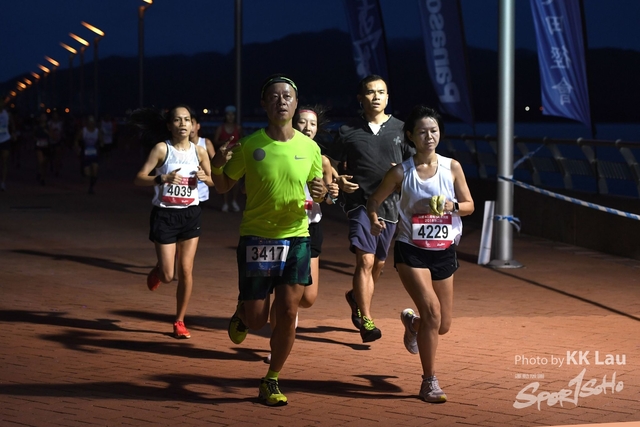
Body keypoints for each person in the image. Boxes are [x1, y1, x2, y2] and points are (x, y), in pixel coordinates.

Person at [210, 75, 327, 406]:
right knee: (258, 319)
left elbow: (317, 190)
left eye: (287, 96)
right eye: (274, 97)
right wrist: (217, 165)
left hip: (297, 236)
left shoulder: (311, 148)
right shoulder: (249, 146)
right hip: (257, 238)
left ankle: (271, 379)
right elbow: (223, 186)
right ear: (264, 104)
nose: (281, 101)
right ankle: (243, 311)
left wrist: (322, 192)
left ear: (296, 103)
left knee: (288, 311)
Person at [367, 105, 474, 403]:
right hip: (411, 249)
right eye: (423, 132)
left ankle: (412, 324)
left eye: (434, 131)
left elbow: (469, 205)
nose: (429, 136)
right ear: (411, 136)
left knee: (442, 325)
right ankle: (429, 382)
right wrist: (374, 218)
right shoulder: (401, 172)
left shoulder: (452, 167)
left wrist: (452, 206)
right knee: (433, 313)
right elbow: (374, 201)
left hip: (444, 250)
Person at [328, 74, 414, 343]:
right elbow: (329, 162)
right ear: (360, 98)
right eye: (370, 92)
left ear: (388, 97)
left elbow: (416, 167)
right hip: (360, 204)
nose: (376, 96)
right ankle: (366, 321)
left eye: (381, 92)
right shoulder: (347, 131)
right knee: (365, 261)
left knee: (378, 263)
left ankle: (356, 297)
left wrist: (404, 175)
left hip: (391, 206)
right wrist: (337, 180)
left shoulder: (402, 130)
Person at [132, 104, 213, 339]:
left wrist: (205, 177)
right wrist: (161, 178)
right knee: (168, 276)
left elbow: (214, 181)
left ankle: (179, 320)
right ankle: (159, 269)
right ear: (169, 125)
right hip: (165, 215)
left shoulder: (199, 152)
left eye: (187, 120)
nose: (183, 124)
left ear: (193, 125)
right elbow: (139, 178)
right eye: (177, 120)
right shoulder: (162, 149)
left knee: (186, 270)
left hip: (190, 214)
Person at [265, 105, 339, 363]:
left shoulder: (322, 159)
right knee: (285, 295)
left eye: (313, 124)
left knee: (308, 297)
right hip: (283, 228)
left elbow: (327, 197)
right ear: (293, 123)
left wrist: (332, 194)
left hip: (311, 228)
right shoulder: (280, 151)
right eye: (302, 122)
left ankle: (287, 312)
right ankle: (277, 345)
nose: (308, 128)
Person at [213, 105, 242, 212]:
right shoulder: (220, 128)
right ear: (225, 116)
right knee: (224, 180)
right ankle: (225, 203)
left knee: (236, 181)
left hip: (235, 158)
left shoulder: (238, 128)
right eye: (228, 115)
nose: (230, 117)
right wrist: (225, 142)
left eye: (232, 115)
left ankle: (234, 201)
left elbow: (242, 141)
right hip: (223, 158)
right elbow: (215, 141)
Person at [190, 114, 216, 205]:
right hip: (186, 190)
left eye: (192, 123)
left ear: (198, 126)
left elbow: (215, 162)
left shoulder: (206, 142)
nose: (190, 127)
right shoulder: (179, 146)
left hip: (201, 191)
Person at [74, 115, 103, 194]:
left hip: (94, 154)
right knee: (87, 174)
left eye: (92, 122)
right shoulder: (83, 131)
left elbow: (101, 141)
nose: (91, 123)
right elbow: (76, 140)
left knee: (95, 171)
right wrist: (77, 149)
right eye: (90, 122)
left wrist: (101, 145)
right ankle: (83, 172)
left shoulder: (97, 131)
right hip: (85, 154)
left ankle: (91, 187)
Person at [0, 99, 16, 191]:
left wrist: (13, 132)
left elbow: (12, 124)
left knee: (4, 161)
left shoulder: (7, 114)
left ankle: (3, 182)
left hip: (5, 139)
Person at [34, 112, 50, 186]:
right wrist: (36, 139)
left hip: (46, 146)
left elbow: (53, 136)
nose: (43, 118)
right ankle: (41, 177)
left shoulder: (48, 127)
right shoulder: (37, 127)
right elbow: (33, 135)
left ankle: (42, 176)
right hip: (39, 146)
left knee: (45, 163)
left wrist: (48, 133)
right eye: (42, 117)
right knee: (41, 162)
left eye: (44, 117)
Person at [47, 110, 65, 177]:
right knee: (51, 155)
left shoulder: (60, 123)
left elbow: (62, 132)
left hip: (58, 141)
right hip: (51, 141)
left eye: (56, 115)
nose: (55, 116)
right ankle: (51, 164)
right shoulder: (49, 123)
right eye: (54, 115)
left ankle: (57, 169)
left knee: (58, 155)